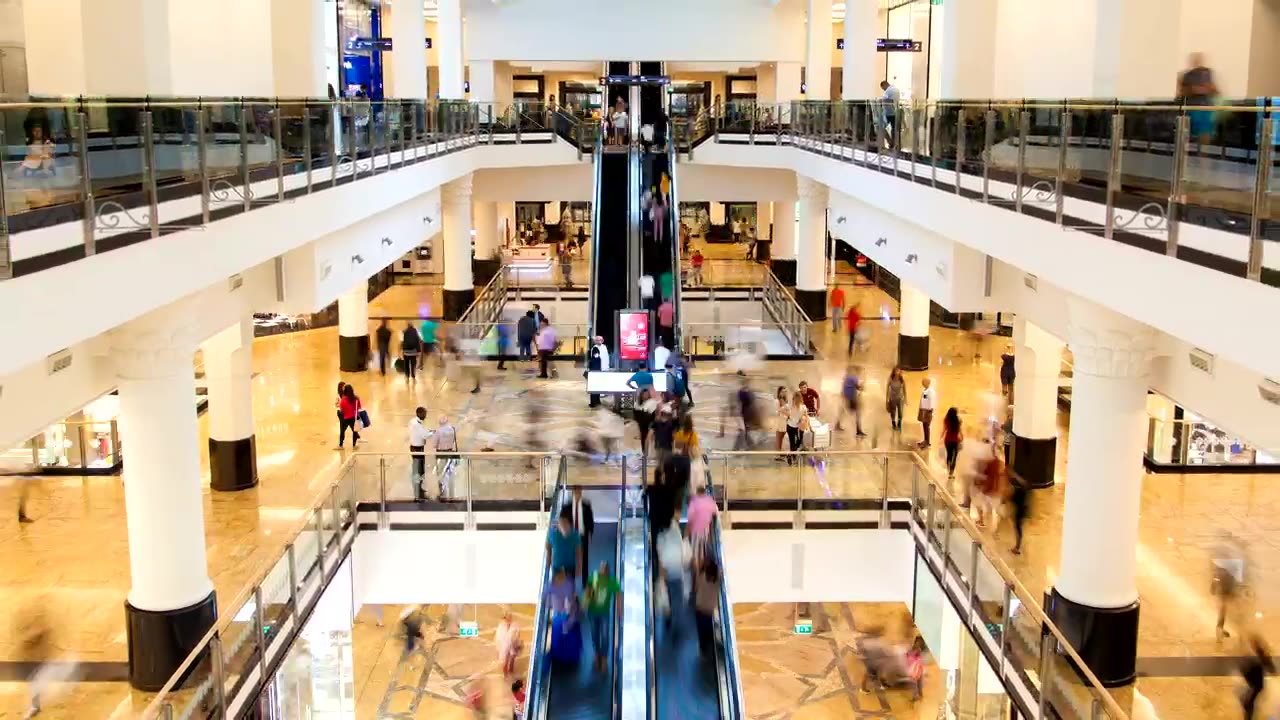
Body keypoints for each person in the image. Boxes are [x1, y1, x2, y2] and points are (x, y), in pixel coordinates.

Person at [584, 561, 621, 670]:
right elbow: (587, 592)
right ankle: (597, 654)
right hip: (592, 612)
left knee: (605, 635)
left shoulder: (612, 582)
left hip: (604, 613)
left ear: (608, 572)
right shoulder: (594, 578)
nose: (602, 573)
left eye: (604, 571)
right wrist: (585, 603)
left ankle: (604, 657)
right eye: (601, 570)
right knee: (595, 634)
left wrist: (620, 611)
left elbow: (618, 595)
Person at [1176, 52, 1218, 144]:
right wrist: (1193, 89)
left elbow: (1215, 91)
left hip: (1206, 109)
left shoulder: (1208, 73)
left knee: (1205, 133)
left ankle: (1204, 153)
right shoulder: (1187, 76)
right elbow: (1181, 93)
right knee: (1190, 134)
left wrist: (1209, 88)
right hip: (1193, 109)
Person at [1212, 532, 1246, 641]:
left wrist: (1214, 585)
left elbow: (1216, 573)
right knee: (1237, 610)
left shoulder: (1221, 556)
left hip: (1224, 587)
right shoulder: (1234, 555)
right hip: (1230, 586)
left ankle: (1220, 631)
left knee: (1224, 609)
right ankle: (1241, 633)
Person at [693, 555, 721, 658]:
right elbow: (719, 571)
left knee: (701, 632)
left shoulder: (702, 577)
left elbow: (695, 588)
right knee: (709, 630)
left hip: (700, 609)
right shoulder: (718, 580)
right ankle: (711, 649)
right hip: (710, 610)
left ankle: (702, 651)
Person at [1238, 634, 1273, 720]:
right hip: (1254, 684)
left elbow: (1270, 668)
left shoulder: (1259, 656)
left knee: (1247, 702)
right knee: (1246, 701)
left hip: (1255, 685)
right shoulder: (1257, 656)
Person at [546, 505, 583, 581]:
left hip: (570, 568)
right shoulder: (552, 533)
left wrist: (579, 568)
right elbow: (548, 550)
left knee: (568, 589)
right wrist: (548, 565)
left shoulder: (575, 535)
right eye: (563, 522)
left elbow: (579, 553)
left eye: (566, 523)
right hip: (557, 568)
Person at [565, 487, 594, 576]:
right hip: (571, 536)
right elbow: (563, 521)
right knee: (572, 558)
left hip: (582, 535)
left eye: (579, 493)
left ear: (581, 493)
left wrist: (590, 534)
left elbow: (590, 521)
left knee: (584, 559)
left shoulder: (586, 505)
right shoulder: (567, 506)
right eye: (576, 493)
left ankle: (585, 584)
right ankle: (571, 581)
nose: (577, 495)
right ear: (573, 493)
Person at [686, 483, 717, 559]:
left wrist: (687, 529)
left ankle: (697, 571)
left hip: (695, 530)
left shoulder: (694, 501)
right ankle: (700, 569)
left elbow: (690, 517)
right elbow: (714, 512)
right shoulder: (710, 500)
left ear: (697, 492)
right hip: (705, 530)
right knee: (702, 553)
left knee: (694, 554)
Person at [409, 406, 432, 501]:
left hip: (415, 447)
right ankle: (418, 493)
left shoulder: (413, 421)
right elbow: (424, 435)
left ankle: (420, 489)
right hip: (417, 449)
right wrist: (433, 433)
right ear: (420, 414)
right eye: (424, 414)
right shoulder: (417, 424)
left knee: (419, 469)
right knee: (419, 470)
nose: (426, 416)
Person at [433, 415, 459, 500]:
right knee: (450, 474)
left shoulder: (438, 431)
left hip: (441, 454)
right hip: (450, 453)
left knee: (441, 474)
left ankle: (442, 494)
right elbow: (454, 441)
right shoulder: (452, 429)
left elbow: (434, 445)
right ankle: (452, 494)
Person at [836, 366, 866, 437]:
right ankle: (858, 431)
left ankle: (837, 424)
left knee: (843, 410)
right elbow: (859, 387)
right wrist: (863, 385)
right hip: (852, 398)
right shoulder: (854, 378)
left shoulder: (847, 377)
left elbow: (844, 387)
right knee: (858, 413)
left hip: (847, 397)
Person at [496, 610, 522, 677]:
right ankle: (505, 674)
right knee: (505, 660)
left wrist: (516, 640)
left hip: (513, 644)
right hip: (505, 645)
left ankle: (511, 671)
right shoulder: (501, 626)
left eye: (508, 617)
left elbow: (518, 634)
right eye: (505, 618)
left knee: (512, 659)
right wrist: (499, 647)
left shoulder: (515, 625)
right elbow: (498, 637)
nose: (507, 619)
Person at [785, 391, 809, 465]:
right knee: (792, 443)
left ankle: (790, 455)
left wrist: (807, 424)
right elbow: (782, 410)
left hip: (797, 427)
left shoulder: (803, 407)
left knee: (798, 442)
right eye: (795, 399)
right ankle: (793, 457)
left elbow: (806, 416)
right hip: (790, 426)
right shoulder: (790, 406)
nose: (795, 401)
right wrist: (788, 415)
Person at [587, 336, 610, 407]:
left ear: (603, 340)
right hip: (596, 370)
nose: (599, 341)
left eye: (601, 340)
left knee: (599, 386)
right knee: (594, 386)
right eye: (598, 340)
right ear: (595, 341)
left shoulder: (604, 347)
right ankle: (593, 402)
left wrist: (607, 367)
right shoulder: (595, 348)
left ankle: (597, 401)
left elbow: (606, 358)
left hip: (603, 370)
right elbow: (595, 358)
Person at [338, 384, 361, 449]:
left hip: (346, 418)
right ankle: (354, 445)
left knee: (342, 431)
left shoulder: (343, 399)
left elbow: (341, 410)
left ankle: (341, 445)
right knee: (355, 431)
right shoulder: (356, 398)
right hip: (354, 418)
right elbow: (359, 407)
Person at [942, 407, 962, 478]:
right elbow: (960, 430)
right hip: (955, 440)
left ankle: (948, 470)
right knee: (954, 457)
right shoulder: (958, 420)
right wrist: (962, 438)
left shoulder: (946, 420)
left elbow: (944, 429)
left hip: (947, 440)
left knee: (949, 455)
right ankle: (951, 472)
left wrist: (941, 436)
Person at [880, 80, 901, 148]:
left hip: (888, 112)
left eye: (883, 88)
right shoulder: (896, 89)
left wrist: (880, 101)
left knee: (881, 127)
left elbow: (885, 101)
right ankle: (894, 143)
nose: (883, 90)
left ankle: (890, 141)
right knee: (894, 128)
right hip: (896, 112)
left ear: (884, 85)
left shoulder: (888, 91)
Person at [886, 366, 907, 432]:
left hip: (900, 398)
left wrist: (906, 398)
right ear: (894, 372)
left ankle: (899, 424)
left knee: (900, 412)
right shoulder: (890, 379)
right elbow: (887, 389)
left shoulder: (902, 379)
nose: (898, 372)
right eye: (896, 371)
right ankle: (893, 423)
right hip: (892, 398)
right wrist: (886, 399)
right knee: (893, 412)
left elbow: (904, 389)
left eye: (899, 371)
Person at [917, 378, 936, 448]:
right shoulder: (926, 390)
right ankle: (925, 440)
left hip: (927, 411)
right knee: (924, 426)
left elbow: (931, 402)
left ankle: (927, 442)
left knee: (926, 427)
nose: (922, 384)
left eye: (923, 382)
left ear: (927, 382)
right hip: (924, 410)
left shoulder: (931, 391)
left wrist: (929, 410)